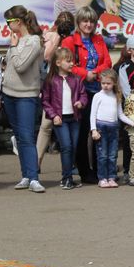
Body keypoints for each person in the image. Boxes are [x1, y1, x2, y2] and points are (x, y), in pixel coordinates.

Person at [61, 7, 112, 185]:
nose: (88, 24)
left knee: (99, 131)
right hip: (79, 92)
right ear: (79, 22)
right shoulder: (69, 41)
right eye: (85, 21)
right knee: (82, 134)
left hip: (98, 91)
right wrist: (84, 74)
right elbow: (66, 64)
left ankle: (101, 169)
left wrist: (94, 73)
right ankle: (84, 171)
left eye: (91, 21)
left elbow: (107, 61)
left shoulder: (98, 40)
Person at [1, 6, 45, 193]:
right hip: (8, 93)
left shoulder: (33, 41)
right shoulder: (17, 40)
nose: (7, 26)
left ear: (18, 22)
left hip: (26, 95)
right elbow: (9, 64)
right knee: (18, 137)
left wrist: (13, 47)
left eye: (9, 22)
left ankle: (34, 177)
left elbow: (20, 66)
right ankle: (25, 175)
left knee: (27, 137)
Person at [41, 48, 87, 190]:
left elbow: (83, 95)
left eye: (71, 60)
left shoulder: (76, 79)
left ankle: (67, 178)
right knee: (66, 146)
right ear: (58, 63)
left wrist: (81, 102)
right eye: (68, 61)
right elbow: (45, 101)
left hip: (74, 118)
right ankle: (67, 178)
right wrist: (54, 115)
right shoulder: (50, 80)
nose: (71, 63)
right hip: (60, 119)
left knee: (72, 147)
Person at [37, 12, 76, 173]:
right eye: (63, 23)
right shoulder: (50, 35)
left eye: (68, 25)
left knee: (70, 126)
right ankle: (36, 163)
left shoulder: (72, 39)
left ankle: (69, 165)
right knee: (46, 125)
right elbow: (45, 56)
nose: (65, 28)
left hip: (67, 85)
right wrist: (57, 40)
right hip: (51, 84)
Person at [90, 70, 128, 188]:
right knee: (102, 155)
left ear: (114, 84)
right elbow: (93, 114)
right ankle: (102, 178)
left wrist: (133, 122)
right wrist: (94, 130)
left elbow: (120, 114)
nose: (105, 86)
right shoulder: (98, 96)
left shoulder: (117, 96)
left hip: (114, 128)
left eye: (108, 83)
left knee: (112, 155)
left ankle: (111, 177)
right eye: (103, 83)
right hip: (101, 127)